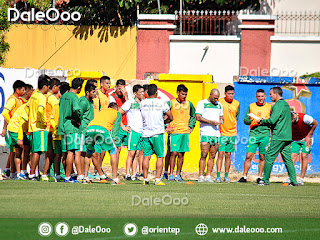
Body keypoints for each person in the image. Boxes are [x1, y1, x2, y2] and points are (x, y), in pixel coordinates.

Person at [256, 87, 298, 186]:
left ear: (276, 94)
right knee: (288, 159)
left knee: (269, 157)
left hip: (278, 135)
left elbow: (272, 121)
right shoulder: (286, 104)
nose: (269, 96)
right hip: (287, 136)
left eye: (271, 94)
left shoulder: (278, 105)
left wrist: (261, 121)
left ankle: (265, 180)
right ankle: (294, 181)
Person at [140, 84, 173, 185]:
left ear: (147, 93)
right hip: (158, 132)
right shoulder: (161, 102)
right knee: (160, 156)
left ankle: (145, 179)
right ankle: (157, 179)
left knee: (146, 156)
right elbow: (170, 116)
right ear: (156, 93)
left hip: (146, 133)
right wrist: (165, 121)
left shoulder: (142, 103)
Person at [238, 89, 271, 183]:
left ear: (265, 97)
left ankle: (260, 177)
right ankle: (244, 176)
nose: (260, 98)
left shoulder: (269, 107)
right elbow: (245, 120)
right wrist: (254, 121)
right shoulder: (251, 106)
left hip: (265, 134)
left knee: (262, 156)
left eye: (262, 96)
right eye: (258, 96)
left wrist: (265, 121)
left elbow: (272, 120)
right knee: (248, 155)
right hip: (253, 134)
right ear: (256, 97)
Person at [84, 102, 122, 185]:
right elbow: (115, 130)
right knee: (113, 151)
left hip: (89, 128)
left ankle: (85, 177)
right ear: (116, 108)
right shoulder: (117, 113)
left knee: (89, 152)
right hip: (103, 129)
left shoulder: (102, 111)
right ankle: (115, 178)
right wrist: (114, 140)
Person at [166, 84, 196, 182]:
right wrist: (166, 126)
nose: (184, 96)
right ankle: (170, 174)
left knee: (181, 154)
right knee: (173, 152)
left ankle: (178, 174)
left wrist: (191, 126)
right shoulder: (171, 103)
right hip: (174, 132)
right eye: (182, 94)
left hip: (184, 132)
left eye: (186, 94)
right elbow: (162, 114)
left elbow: (194, 115)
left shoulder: (189, 103)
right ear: (178, 93)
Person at [24, 75, 51, 181]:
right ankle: (32, 174)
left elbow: (27, 108)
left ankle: (33, 173)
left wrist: (30, 121)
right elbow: (40, 110)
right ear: (44, 86)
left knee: (35, 150)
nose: (48, 89)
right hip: (39, 128)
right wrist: (43, 121)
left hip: (33, 127)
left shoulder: (33, 96)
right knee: (38, 151)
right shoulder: (41, 97)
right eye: (48, 87)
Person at [58, 78, 84, 183]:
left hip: (62, 127)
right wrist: (78, 120)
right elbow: (77, 110)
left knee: (65, 153)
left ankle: (68, 175)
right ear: (79, 87)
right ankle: (68, 177)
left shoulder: (63, 96)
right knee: (71, 152)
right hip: (71, 127)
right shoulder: (74, 97)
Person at [196, 89, 224, 182]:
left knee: (212, 155)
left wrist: (221, 121)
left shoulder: (219, 104)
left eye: (217, 98)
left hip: (216, 134)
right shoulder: (202, 103)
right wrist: (210, 122)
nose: (216, 100)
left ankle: (208, 175)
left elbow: (221, 117)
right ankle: (200, 176)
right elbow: (198, 117)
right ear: (210, 94)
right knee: (204, 154)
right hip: (205, 133)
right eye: (214, 98)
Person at [7, 84, 33, 180]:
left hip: (14, 128)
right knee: (26, 149)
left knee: (18, 152)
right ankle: (26, 172)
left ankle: (17, 174)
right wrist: (20, 138)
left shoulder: (25, 105)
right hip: (16, 129)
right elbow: (22, 122)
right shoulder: (27, 107)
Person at [119, 84, 144, 181]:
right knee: (131, 153)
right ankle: (128, 174)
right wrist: (123, 127)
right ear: (135, 93)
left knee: (138, 153)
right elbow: (119, 113)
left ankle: (134, 175)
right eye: (140, 92)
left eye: (143, 92)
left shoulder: (143, 103)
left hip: (142, 132)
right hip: (133, 131)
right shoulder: (130, 102)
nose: (142, 94)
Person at [1, 80, 25, 178]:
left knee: (14, 151)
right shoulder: (13, 100)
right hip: (14, 129)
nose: (24, 92)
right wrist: (11, 122)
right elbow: (5, 112)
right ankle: (12, 171)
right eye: (22, 90)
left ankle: (10, 172)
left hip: (14, 129)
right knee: (17, 150)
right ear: (17, 89)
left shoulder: (17, 99)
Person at [216, 85, 240, 183]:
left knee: (228, 155)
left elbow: (236, 116)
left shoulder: (237, 103)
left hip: (232, 133)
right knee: (220, 154)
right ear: (225, 94)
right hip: (222, 133)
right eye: (229, 94)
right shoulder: (220, 102)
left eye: (232, 94)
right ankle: (218, 176)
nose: (231, 95)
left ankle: (226, 176)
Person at [290, 111, 317, 185]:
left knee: (304, 156)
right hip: (295, 139)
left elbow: (315, 123)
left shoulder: (305, 118)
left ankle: (301, 179)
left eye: (291, 121)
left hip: (306, 138)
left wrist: (309, 136)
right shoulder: (287, 119)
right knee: (292, 157)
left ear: (294, 118)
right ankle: (291, 177)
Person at [76, 82, 96, 182]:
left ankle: (85, 174)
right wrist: (79, 124)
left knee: (87, 152)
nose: (94, 94)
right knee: (81, 153)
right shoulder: (83, 102)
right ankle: (80, 174)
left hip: (89, 130)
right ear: (87, 92)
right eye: (93, 92)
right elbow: (78, 114)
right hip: (83, 130)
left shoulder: (91, 102)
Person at [42, 78, 60, 181]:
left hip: (45, 128)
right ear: (54, 87)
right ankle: (45, 174)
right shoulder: (52, 98)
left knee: (48, 153)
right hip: (51, 128)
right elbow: (55, 114)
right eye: (58, 87)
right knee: (52, 153)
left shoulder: (44, 96)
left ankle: (46, 173)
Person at [109, 79, 129, 155]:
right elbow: (116, 113)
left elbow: (129, 107)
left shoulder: (126, 96)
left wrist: (126, 96)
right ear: (115, 87)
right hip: (117, 125)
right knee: (117, 148)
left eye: (123, 88)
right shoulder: (112, 97)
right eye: (119, 88)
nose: (121, 91)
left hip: (126, 124)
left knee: (130, 149)